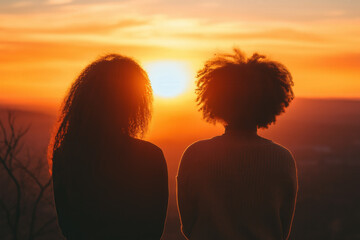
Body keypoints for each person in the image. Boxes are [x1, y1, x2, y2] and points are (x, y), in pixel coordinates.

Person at [177, 49, 298, 240]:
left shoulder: (195, 154)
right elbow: (282, 229)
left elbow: (189, 225)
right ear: (271, 103)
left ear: (215, 100)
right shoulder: (283, 159)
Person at [49, 54, 168, 240]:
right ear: (132, 104)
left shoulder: (66, 156)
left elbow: (68, 227)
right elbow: (154, 229)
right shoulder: (150, 156)